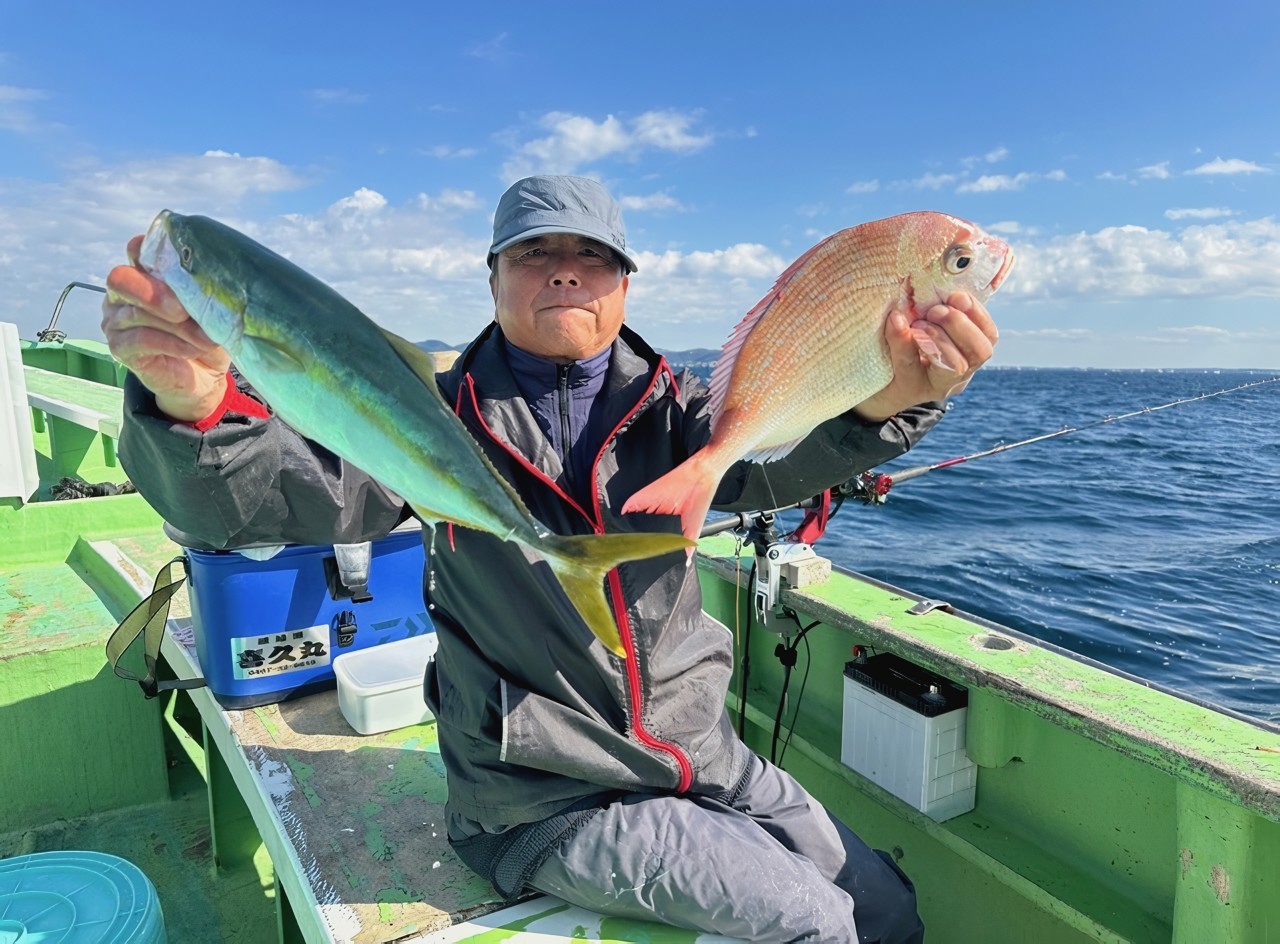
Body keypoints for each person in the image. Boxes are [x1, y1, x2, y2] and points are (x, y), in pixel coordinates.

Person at [103, 175, 998, 943]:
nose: (565, 269)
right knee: (818, 924)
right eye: (534, 253)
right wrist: (190, 414)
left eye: (592, 256)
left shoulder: (679, 412)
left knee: (885, 906)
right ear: (492, 278)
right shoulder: (430, 413)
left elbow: (775, 468)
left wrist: (899, 405)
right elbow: (276, 496)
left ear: (623, 286)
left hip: (700, 755)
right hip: (543, 795)